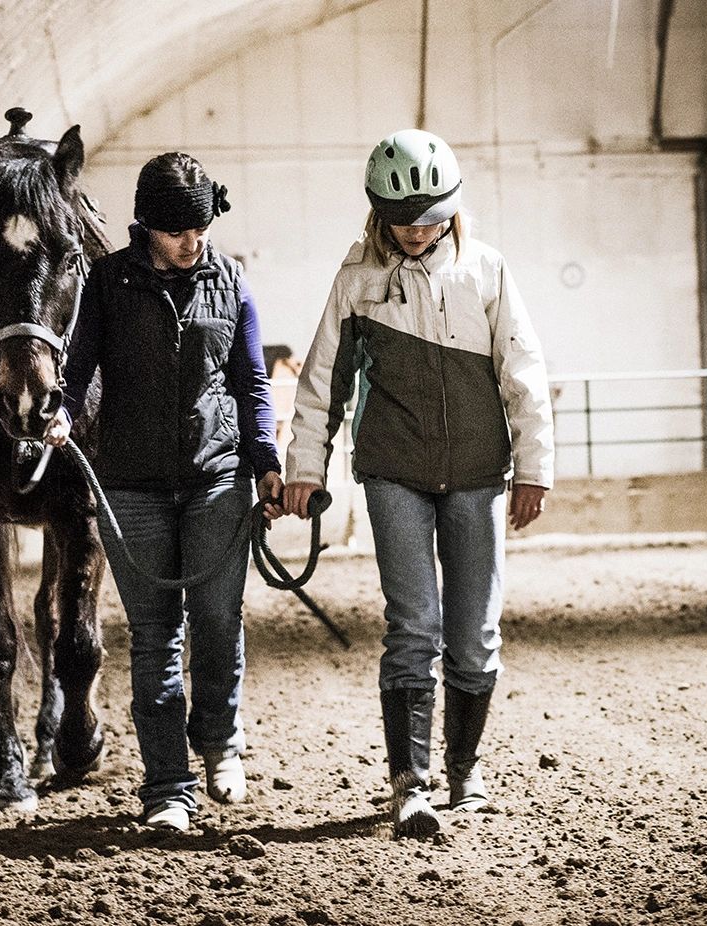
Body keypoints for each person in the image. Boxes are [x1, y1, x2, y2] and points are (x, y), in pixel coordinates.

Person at [282, 129, 554, 838]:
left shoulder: (487, 272)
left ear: (452, 208)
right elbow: (320, 387)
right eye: (402, 218)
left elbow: (522, 374)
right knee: (413, 628)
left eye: (429, 216)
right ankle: (409, 782)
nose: (415, 230)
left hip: (477, 477)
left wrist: (533, 468)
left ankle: (464, 770)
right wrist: (303, 470)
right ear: (377, 213)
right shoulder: (355, 282)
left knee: (475, 635)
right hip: (392, 474)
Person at [46, 152, 284, 832]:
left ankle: (218, 741)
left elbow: (251, 380)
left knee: (216, 621)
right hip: (132, 486)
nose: (192, 242)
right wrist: (60, 411)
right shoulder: (107, 282)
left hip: (217, 479)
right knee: (155, 636)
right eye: (178, 231)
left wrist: (263, 457)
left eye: (201, 228)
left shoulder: (229, 278)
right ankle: (167, 786)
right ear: (145, 226)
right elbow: (77, 367)